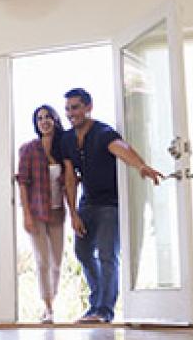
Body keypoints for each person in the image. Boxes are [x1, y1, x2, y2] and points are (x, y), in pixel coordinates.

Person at [61, 88, 163, 323]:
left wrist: (141, 166)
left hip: (109, 206)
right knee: (83, 253)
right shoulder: (67, 140)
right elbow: (69, 177)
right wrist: (73, 213)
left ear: (88, 107)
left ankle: (104, 310)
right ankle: (96, 303)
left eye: (75, 107)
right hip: (86, 204)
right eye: (67, 109)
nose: (71, 113)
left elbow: (122, 148)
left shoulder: (103, 132)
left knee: (107, 255)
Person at [17, 105, 66, 324]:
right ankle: (48, 308)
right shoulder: (29, 149)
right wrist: (26, 214)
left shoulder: (63, 149)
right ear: (36, 124)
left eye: (48, 117)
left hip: (57, 212)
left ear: (55, 120)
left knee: (57, 261)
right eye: (39, 118)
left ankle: (52, 299)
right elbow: (23, 182)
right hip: (36, 212)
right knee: (42, 261)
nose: (44, 121)